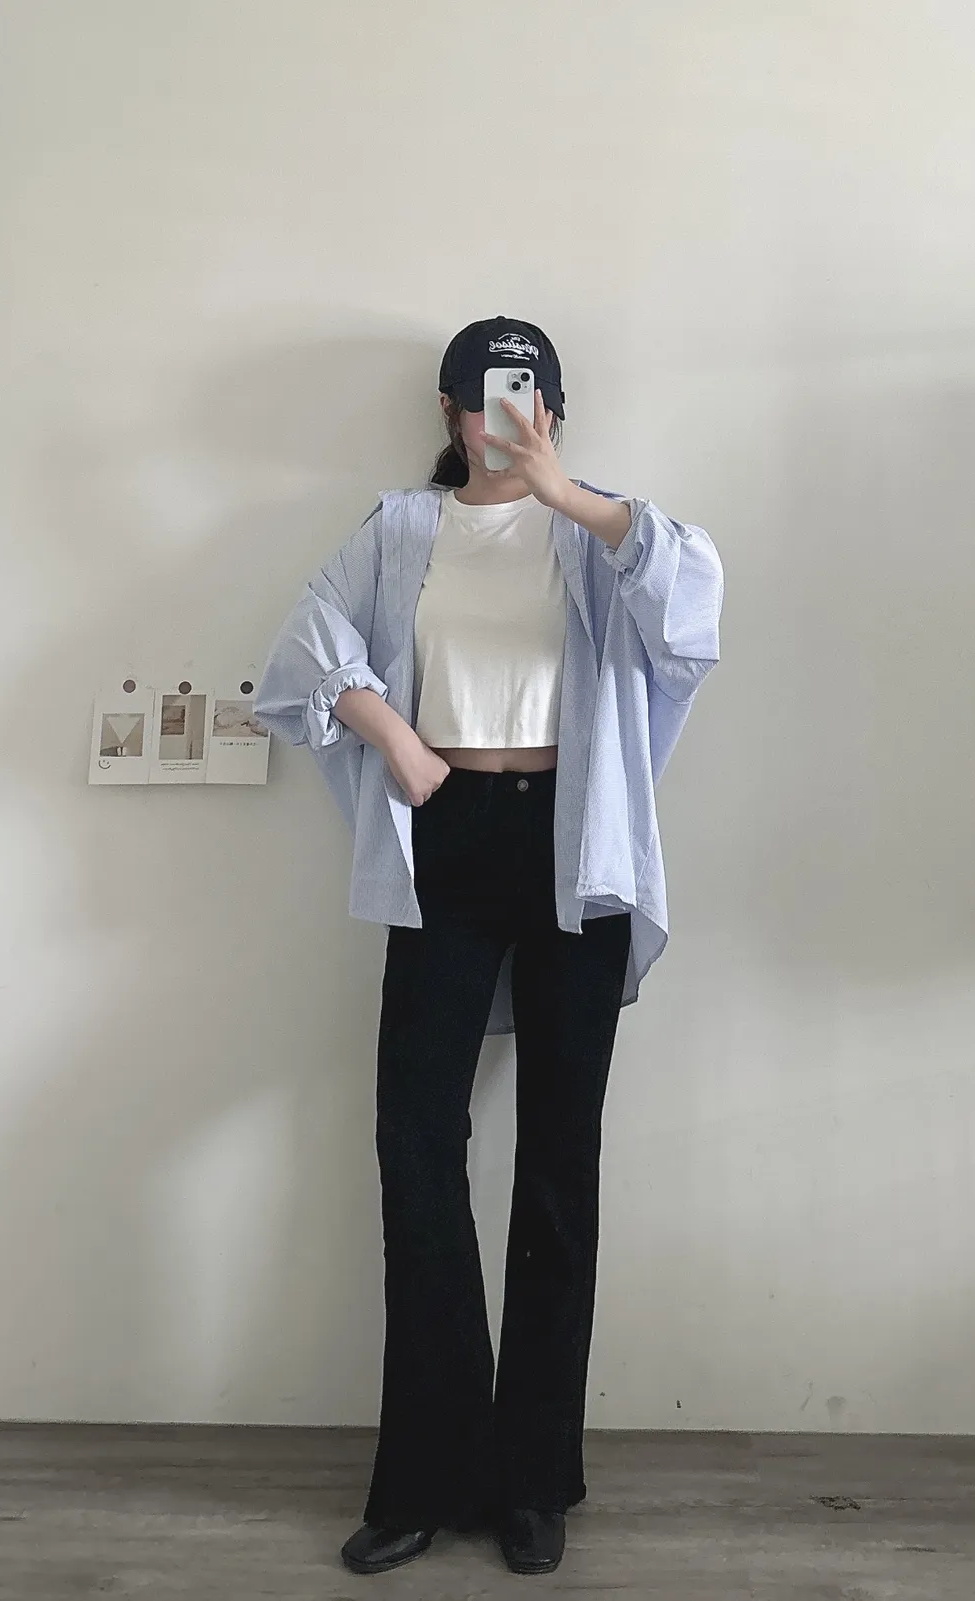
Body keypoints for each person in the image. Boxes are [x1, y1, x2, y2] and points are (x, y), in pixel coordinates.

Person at [253, 316, 724, 1577]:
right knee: (417, 1143)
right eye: (486, 397)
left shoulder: (603, 529)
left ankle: (533, 1477)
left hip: (576, 848)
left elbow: (694, 614)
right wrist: (395, 737)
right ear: (451, 410)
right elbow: (300, 648)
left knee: (560, 1157)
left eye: (530, 397)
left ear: (555, 409)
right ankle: (425, 1474)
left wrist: (569, 494)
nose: (508, 417)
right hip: (448, 839)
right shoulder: (401, 528)